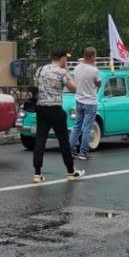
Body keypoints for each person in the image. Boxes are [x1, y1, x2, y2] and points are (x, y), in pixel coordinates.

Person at [32, 47, 83, 182]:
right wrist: (67, 71)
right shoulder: (62, 72)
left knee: (40, 140)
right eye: (66, 57)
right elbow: (74, 89)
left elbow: (35, 86)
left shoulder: (40, 69)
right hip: (55, 108)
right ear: (63, 58)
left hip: (41, 108)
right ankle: (70, 171)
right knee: (63, 141)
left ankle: (37, 173)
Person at [72, 46, 102, 160]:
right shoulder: (94, 70)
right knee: (87, 127)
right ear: (92, 56)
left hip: (79, 100)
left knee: (77, 126)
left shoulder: (77, 68)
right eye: (95, 56)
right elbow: (99, 83)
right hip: (90, 101)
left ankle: (71, 148)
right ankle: (83, 152)